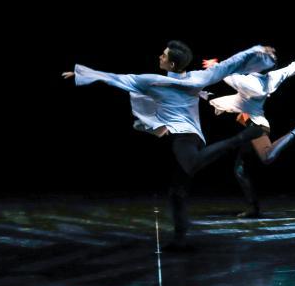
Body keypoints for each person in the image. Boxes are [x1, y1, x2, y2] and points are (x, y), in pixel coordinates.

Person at [63, 41, 276, 250]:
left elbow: (116, 79)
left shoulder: (153, 81)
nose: (160, 57)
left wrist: (83, 74)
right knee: (177, 190)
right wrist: (257, 50)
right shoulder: (197, 78)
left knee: (191, 164)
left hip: (183, 137)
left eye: (163, 55)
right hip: (192, 137)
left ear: (172, 64)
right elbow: (230, 64)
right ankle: (180, 239)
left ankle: (241, 138)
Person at [204, 51, 295, 217]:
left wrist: (214, 65)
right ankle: (254, 209)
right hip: (252, 122)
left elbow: (225, 73)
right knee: (241, 168)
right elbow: (292, 68)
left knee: (265, 157)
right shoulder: (271, 78)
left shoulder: (247, 82)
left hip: (255, 126)